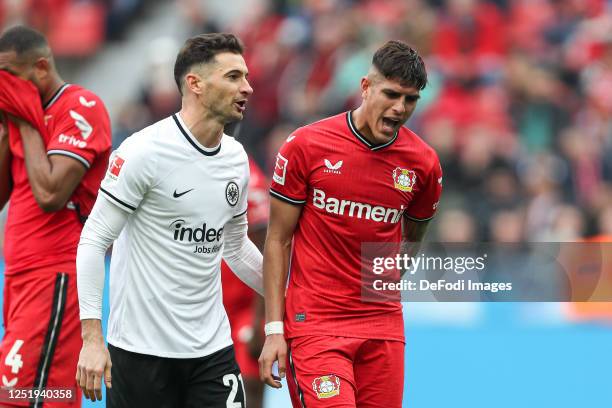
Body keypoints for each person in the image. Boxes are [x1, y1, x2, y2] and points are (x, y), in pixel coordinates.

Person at [75, 33, 263, 407]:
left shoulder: (236, 159)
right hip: (139, 353)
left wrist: (288, 298)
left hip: (212, 351)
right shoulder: (144, 152)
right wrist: (92, 339)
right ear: (195, 84)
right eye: (233, 77)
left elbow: (236, 247)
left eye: (245, 76)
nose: (247, 87)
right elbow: (94, 240)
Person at [258, 40, 443, 407]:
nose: (399, 108)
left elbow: (414, 237)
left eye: (410, 100)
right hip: (316, 323)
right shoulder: (307, 146)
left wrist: (379, 286)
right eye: (391, 94)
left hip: (382, 323)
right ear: (365, 87)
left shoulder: (423, 164)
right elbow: (277, 239)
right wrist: (274, 329)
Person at [0, 26, 111, 407]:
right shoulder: (19, 120)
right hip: (18, 276)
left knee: (19, 394)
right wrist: (7, 127)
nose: (4, 86)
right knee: (42, 394)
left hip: (56, 275)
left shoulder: (81, 107)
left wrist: (28, 121)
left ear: (42, 68)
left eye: (9, 76)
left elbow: (50, 194)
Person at [221, 156, 269, 408]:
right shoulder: (184, 163)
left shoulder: (246, 173)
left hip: (244, 309)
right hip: (205, 305)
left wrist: (261, 319)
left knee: (248, 384)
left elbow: (266, 250)